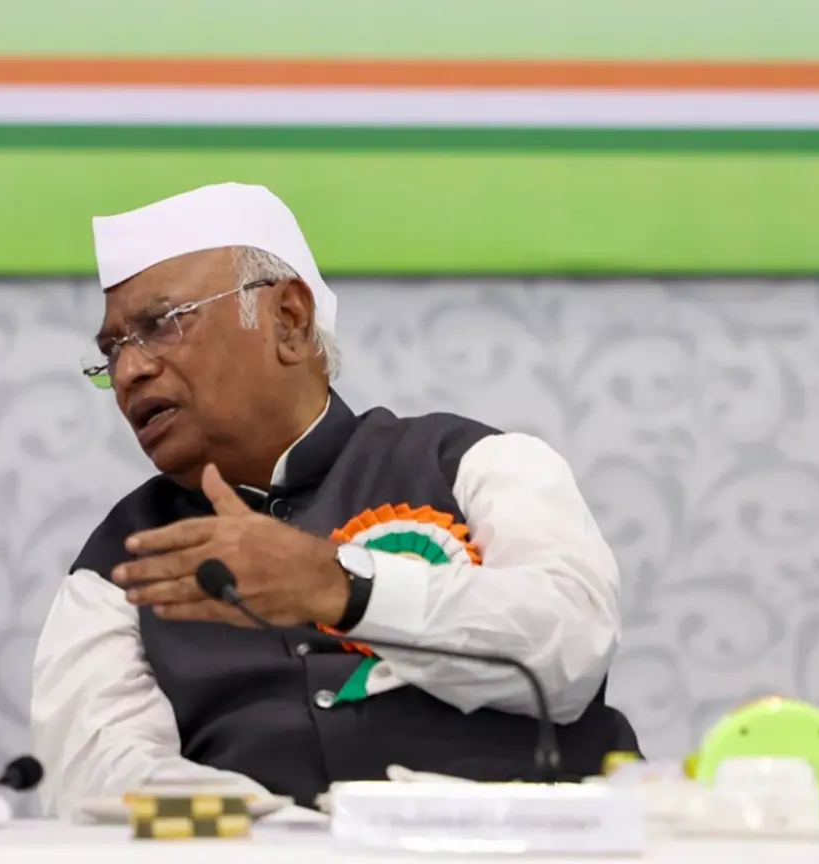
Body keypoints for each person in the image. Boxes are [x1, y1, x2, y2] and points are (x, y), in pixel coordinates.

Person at [32, 182, 639, 815]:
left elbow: (574, 649)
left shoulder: (474, 462)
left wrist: (345, 588)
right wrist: (288, 835)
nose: (129, 372)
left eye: (160, 325)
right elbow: (96, 781)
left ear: (289, 321)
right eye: (112, 351)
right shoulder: (119, 560)